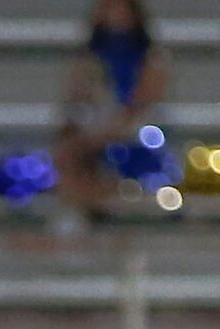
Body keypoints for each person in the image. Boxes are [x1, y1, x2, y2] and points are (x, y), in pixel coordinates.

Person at [51, 0, 170, 223]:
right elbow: (76, 98)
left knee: (81, 150)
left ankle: (92, 210)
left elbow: (143, 106)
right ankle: (80, 212)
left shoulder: (151, 58)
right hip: (97, 129)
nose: (114, 15)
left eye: (119, 8)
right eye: (108, 8)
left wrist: (108, 132)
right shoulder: (89, 57)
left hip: (135, 134)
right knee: (68, 150)